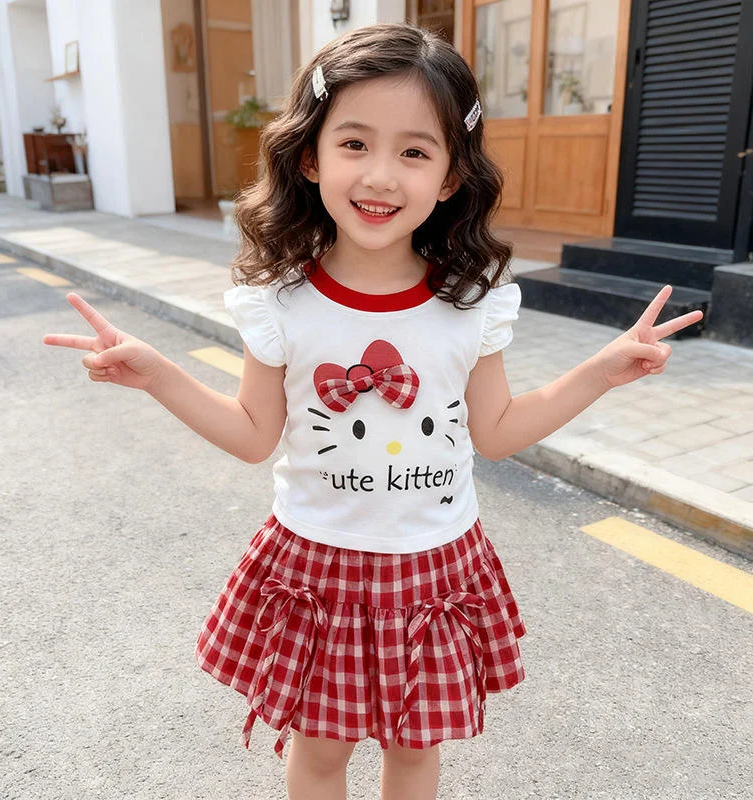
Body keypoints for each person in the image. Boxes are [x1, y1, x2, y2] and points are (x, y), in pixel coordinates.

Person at [43, 22, 703, 800]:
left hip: (434, 566)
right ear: (310, 156)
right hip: (317, 566)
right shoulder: (280, 302)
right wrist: (158, 375)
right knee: (321, 752)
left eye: (415, 152)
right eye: (354, 144)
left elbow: (497, 432)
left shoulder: (470, 302)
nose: (381, 176)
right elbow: (254, 436)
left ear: (451, 177)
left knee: (414, 752)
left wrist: (600, 372)